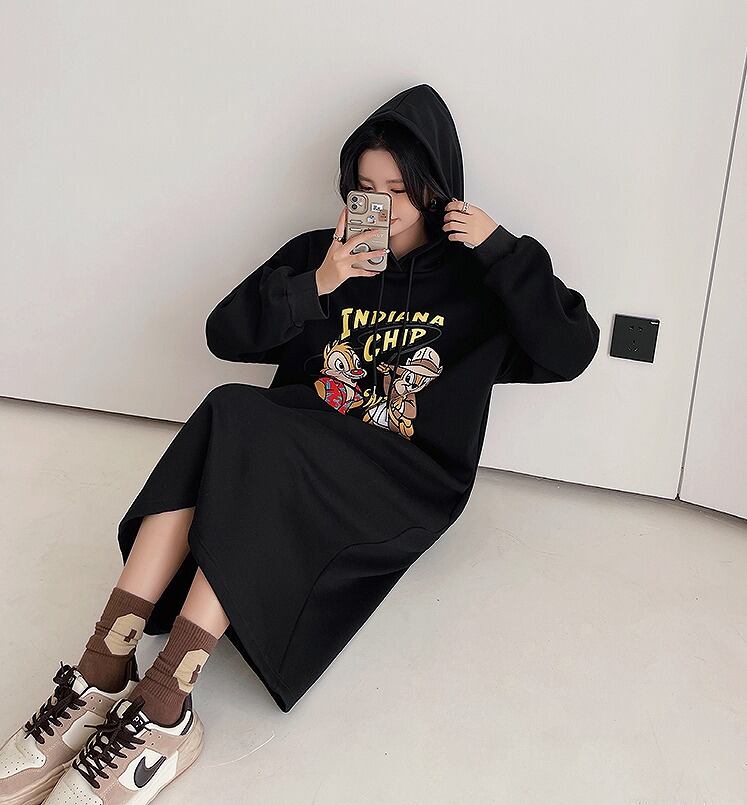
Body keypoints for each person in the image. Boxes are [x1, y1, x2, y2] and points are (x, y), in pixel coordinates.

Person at [0, 82, 600, 804]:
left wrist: (502, 251)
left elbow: (570, 350)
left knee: (254, 432)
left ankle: (164, 705)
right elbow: (223, 333)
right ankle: (102, 669)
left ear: (437, 189)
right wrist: (319, 281)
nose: (380, 208)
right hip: (293, 446)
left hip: (401, 474)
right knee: (233, 413)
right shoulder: (322, 255)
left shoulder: (478, 279)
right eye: (364, 190)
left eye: (400, 191)